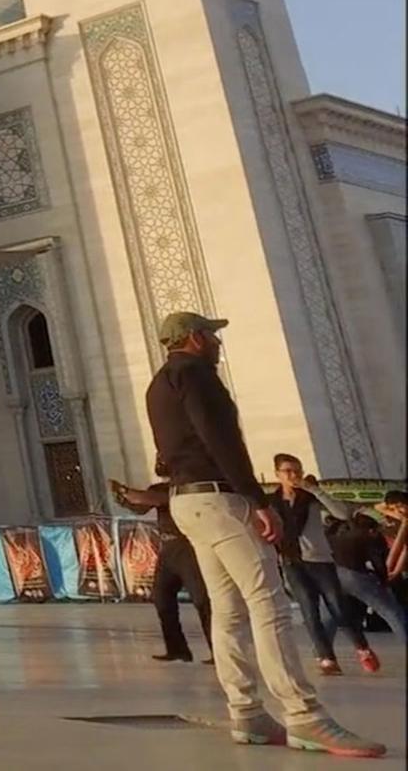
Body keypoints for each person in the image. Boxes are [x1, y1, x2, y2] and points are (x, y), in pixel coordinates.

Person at [147, 310, 380, 755]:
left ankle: (247, 712)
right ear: (195, 339)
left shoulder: (160, 383)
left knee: (228, 607)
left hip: (186, 501)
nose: (217, 344)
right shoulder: (197, 374)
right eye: (211, 336)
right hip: (219, 499)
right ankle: (304, 715)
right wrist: (257, 499)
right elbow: (220, 440)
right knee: (268, 602)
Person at [272, 456, 399, 672]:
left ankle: (362, 647)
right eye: (288, 471)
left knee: (338, 608)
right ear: (278, 474)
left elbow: (342, 513)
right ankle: (326, 658)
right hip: (292, 561)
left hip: (321, 560)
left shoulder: (311, 499)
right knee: (309, 611)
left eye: (297, 470)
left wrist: (314, 490)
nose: (293, 475)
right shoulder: (273, 503)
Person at [110, 475, 214, 663]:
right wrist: (122, 498)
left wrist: (127, 491)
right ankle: (177, 649)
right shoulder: (157, 487)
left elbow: (156, 499)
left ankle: (218, 650)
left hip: (185, 546)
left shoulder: (184, 487)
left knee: (201, 599)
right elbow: (141, 508)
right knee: (161, 597)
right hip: (167, 548)